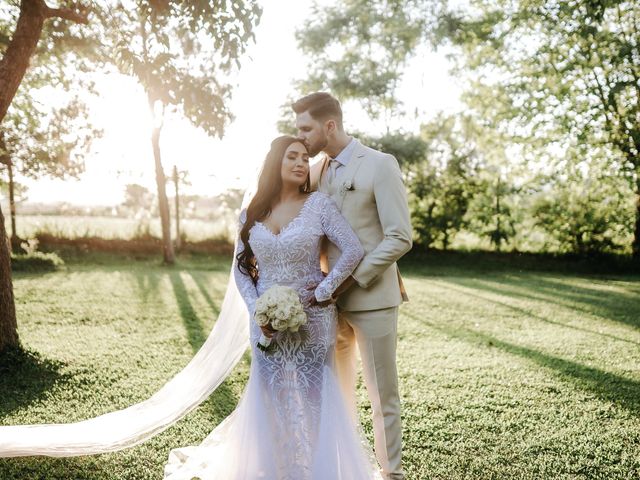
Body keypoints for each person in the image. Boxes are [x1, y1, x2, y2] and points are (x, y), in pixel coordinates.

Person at [164, 135, 378, 479]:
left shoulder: (320, 204)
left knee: (313, 398)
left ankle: (315, 471)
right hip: (264, 322)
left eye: (304, 158)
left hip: (313, 319)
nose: (300, 163)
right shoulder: (251, 213)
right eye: (291, 156)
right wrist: (257, 309)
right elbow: (240, 269)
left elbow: (353, 250)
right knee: (271, 396)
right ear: (274, 163)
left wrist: (323, 291)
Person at [293, 92, 413, 480]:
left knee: (383, 396)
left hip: (372, 298)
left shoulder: (379, 164)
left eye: (306, 128)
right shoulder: (311, 171)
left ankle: (390, 473)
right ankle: (342, 468)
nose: (301, 136)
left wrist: (351, 279)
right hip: (324, 304)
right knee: (334, 394)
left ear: (330, 125)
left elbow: (399, 237)